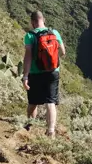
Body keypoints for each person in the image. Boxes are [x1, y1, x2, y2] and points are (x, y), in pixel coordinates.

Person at [21, 10, 66, 138]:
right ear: (44, 20)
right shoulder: (54, 32)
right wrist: (51, 59)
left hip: (35, 73)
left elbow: (28, 57)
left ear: (32, 22)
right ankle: (51, 130)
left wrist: (25, 76)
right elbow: (63, 52)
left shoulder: (30, 36)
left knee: (33, 102)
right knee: (50, 102)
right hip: (53, 72)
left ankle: (30, 126)